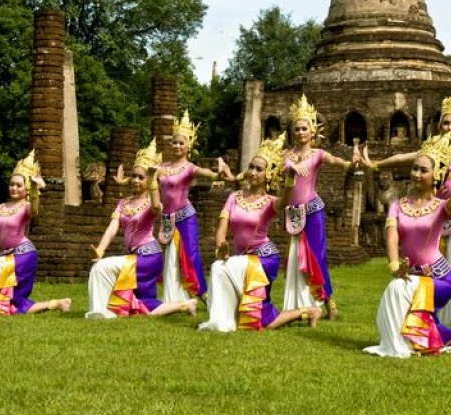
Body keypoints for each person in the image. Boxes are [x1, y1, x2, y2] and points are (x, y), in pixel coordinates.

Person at [363, 86, 451, 326]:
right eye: (445, 122)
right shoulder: (430, 152)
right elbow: (402, 158)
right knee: (436, 263)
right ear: (439, 125)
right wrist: (375, 164)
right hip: (432, 214)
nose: (449, 128)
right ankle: (446, 311)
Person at [364, 134, 451, 357]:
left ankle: (397, 346)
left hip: (440, 279)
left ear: (435, 175)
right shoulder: (397, 206)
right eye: (415, 168)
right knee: (419, 322)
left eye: (423, 170)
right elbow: (392, 237)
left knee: (398, 290)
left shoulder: (440, 207)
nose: (416, 174)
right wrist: (394, 266)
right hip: (410, 274)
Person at [199, 133, 321, 332]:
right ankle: (308, 311)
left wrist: (290, 177)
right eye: (251, 167)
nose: (253, 172)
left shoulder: (270, 202)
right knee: (261, 319)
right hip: (240, 260)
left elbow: (284, 200)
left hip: (264, 259)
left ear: (268, 175)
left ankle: (222, 323)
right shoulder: (233, 197)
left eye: (259, 169)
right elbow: (221, 230)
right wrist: (221, 246)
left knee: (223, 270)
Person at [86, 139, 198, 319]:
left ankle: (99, 311)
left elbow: (156, 207)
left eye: (141, 177)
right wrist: (99, 250)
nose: (136, 180)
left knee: (102, 268)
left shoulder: (151, 203)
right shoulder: (123, 203)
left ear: (149, 180)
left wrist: (154, 180)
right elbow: (112, 228)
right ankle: (184, 305)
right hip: (134, 256)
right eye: (134, 176)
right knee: (141, 306)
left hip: (147, 257)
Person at [281, 94, 357, 320]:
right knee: (295, 256)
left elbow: (337, 162)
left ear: (313, 131)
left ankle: (329, 302)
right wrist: (292, 167)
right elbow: (277, 170)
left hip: (312, 211)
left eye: (305, 128)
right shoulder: (286, 155)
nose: (301, 132)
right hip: (293, 213)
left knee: (316, 256)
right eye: (297, 129)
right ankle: (299, 304)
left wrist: (351, 162)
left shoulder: (318, 154)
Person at [0, 150, 72, 316]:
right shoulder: (0, 208)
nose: (14, 188)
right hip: (7, 256)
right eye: (12, 184)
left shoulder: (25, 207)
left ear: (26, 189)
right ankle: (58, 303)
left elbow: (35, 208)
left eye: (19, 185)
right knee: (12, 302)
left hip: (23, 257)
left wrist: (34, 185)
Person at [156, 110, 228, 304]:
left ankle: (203, 293)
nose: (178, 145)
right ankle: (175, 297)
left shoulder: (189, 168)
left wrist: (218, 174)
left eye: (182, 142)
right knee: (169, 258)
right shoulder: (162, 167)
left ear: (189, 146)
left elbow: (208, 174)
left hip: (185, 218)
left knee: (190, 255)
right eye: (175, 142)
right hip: (166, 219)